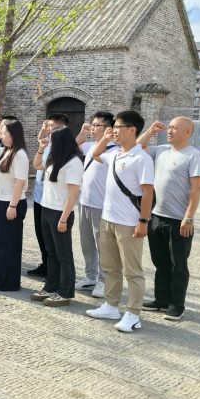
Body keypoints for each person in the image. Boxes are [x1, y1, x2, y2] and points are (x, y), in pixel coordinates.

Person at [86, 111, 154, 333]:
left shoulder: (141, 158)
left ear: (132, 130)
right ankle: (111, 305)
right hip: (108, 218)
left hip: (129, 222)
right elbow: (96, 154)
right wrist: (105, 138)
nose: (113, 130)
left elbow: (147, 192)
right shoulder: (114, 153)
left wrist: (143, 221)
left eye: (117, 127)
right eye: (113, 126)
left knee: (132, 271)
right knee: (110, 267)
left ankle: (133, 314)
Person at [137, 117, 200, 321]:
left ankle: (177, 305)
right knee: (160, 262)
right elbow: (136, 147)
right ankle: (161, 300)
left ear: (187, 132)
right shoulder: (161, 150)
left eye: (175, 128)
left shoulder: (194, 156)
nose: (169, 131)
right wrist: (151, 131)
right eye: (169, 127)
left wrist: (189, 217)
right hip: (157, 216)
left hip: (179, 220)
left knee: (178, 265)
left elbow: (196, 189)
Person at [30, 127, 84, 307]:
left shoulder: (73, 162)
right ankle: (50, 286)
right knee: (51, 252)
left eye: (52, 140)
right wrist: (40, 148)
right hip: (46, 208)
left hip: (60, 213)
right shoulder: (54, 157)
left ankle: (65, 291)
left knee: (64, 254)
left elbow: (73, 194)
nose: (50, 143)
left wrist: (63, 219)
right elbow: (36, 165)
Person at [73, 111, 116, 298]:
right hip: (84, 202)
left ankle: (103, 280)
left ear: (108, 129)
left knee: (103, 245)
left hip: (102, 205)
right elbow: (74, 145)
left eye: (96, 125)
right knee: (87, 242)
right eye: (92, 124)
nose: (93, 128)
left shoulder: (114, 151)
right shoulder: (90, 145)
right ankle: (90, 276)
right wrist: (83, 131)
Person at [0, 119, 29, 291]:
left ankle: (7, 281)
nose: (2, 136)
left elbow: (20, 182)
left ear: (14, 134)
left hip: (10, 203)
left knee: (7, 244)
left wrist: (12, 206)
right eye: (2, 133)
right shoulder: (5, 150)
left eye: (4, 133)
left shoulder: (20, 154)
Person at [28, 113, 70, 277]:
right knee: (41, 232)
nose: (48, 129)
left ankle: (55, 270)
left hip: (53, 197)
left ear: (62, 128)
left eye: (52, 127)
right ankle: (45, 264)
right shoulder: (48, 143)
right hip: (39, 194)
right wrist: (44, 129)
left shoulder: (64, 146)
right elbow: (40, 140)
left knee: (53, 238)